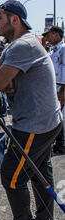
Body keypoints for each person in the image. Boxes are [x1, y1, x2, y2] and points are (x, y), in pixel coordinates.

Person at [0, 0, 62, 220]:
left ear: (14, 19)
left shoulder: (23, 45)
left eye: (0, 17)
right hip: (47, 120)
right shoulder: (16, 46)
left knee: (11, 176)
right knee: (40, 173)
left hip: (35, 124)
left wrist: (3, 79)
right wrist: (2, 77)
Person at [42, 26, 65, 155]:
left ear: (56, 35)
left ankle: (61, 144)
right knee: (55, 117)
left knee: (58, 117)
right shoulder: (52, 51)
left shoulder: (63, 49)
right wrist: (43, 44)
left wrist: (63, 90)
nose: (47, 37)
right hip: (53, 89)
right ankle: (58, 143)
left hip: (60, 89)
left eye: (49, 35)